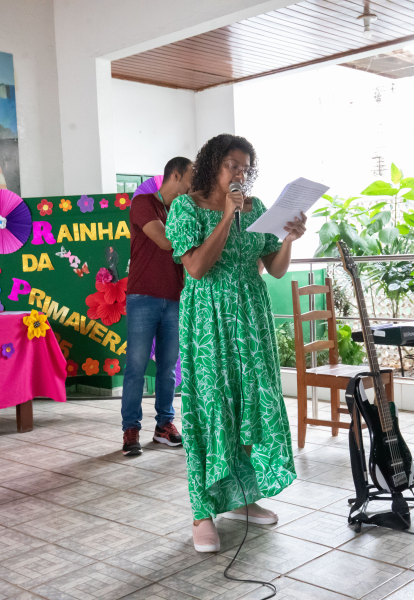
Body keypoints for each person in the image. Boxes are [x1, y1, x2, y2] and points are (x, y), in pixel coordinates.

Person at [165, 135, 307, 552]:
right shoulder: (186, 208)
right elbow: (196, 268)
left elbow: (275, 269)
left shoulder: (257, 209)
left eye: (245, 167)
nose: (240, 174)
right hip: (208, 321)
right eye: (232, 165)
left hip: (251, 318)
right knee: (212, 409)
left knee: (248, 404)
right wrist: (227, 216)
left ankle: (241, 497)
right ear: (213, 165)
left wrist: (289, 239)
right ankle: (202, 512)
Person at [121, 157, 193, 455]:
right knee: (136, 367)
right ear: (175, 175)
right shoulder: (143, 203)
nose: (193, 187)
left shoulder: (182, 209)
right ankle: (131, 429)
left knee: (168, 369)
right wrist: (192, 234)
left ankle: (164, 425)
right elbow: (164, 240)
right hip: (143, 297)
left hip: (175, 297)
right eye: (190, 179)